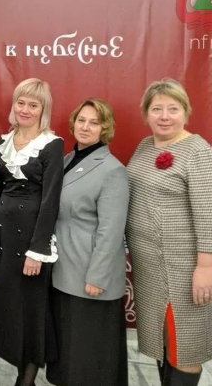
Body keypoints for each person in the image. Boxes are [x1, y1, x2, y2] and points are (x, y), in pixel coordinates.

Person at [126, 79, 212, 386]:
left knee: (186, 346)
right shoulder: (145, 146)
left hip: (184, 269)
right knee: (163, 342)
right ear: (146, 113)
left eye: (173, 109)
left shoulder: (198, 152)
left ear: (186, 112)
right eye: (156, 109)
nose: (164, 116)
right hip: (149, 267)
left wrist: (205, 268)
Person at [0, 78, 64, 386]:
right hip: (5, 239)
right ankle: (18, 368)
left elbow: (51, 200)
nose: (25, 109)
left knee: (32, 310)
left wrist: (37, 251)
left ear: (43, 110)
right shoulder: (2, 141)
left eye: (33, 105)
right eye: (21, 102)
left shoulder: (52, 144)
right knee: (10, 309)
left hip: (32, 242)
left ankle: (26, 380)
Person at [46, 99, 129, 386]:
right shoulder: (67, 160)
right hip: (64, 268)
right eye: (81, 120)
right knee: (69, 345)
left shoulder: (112, 170)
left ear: (105, 128)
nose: (85, 126)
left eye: (94, 122)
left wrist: (97, 276)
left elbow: (111, 229)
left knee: (89, 351)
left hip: (88, 272)